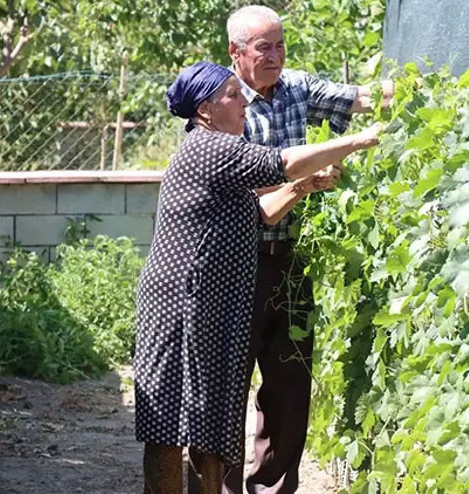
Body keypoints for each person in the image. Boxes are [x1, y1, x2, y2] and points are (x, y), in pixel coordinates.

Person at [134, 61, 382, 494]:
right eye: (233, 94)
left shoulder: (218, 152)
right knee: (170, 419)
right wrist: (358, 141)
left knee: (208, 414)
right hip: (181, 302)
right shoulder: (208, 147)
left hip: (206, 303)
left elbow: (261, 212)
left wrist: (304, 188)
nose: (244, 102)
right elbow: (282, 162)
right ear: (206, 110)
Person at [222, 6, 395, 493]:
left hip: (292, 261)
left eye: (280, 45)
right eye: (263, 47)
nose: (275, 56)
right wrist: (303, 182)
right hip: (237, 263)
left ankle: (274, 488)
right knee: (229, 386)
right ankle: (223, 487)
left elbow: (360, 98)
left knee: (290, 385)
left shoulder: (296, 88)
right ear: (236, 53)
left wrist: (425, 91)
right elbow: (233, 193)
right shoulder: (221, 103)